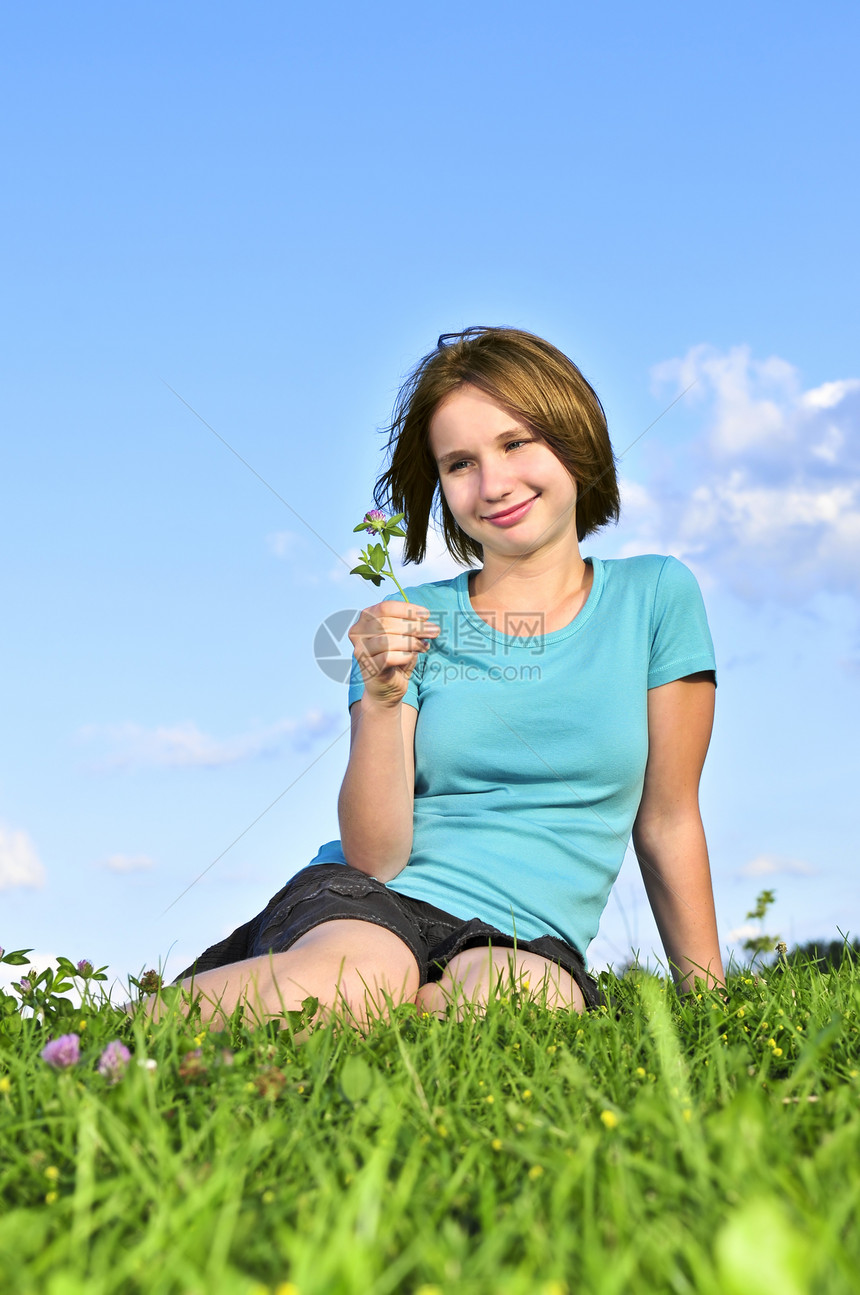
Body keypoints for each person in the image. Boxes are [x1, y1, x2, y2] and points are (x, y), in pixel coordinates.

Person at [168, 326, 724, 1030]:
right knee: (365, 975)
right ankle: (117, 1030)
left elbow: (668, 816)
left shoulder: (656, 596)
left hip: (525, 939)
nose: (493, 484)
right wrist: (380, 697)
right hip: (368, 907)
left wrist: (710, 1002)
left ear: (572, 437)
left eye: (516, 442)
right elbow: (377, 854)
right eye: (460, 463)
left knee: (518, 1006)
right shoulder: (408, 624)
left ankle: (337, 1021)